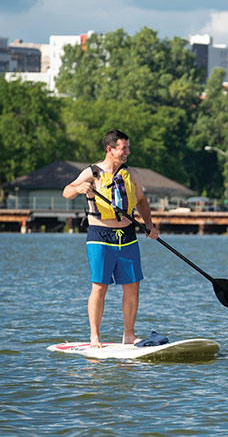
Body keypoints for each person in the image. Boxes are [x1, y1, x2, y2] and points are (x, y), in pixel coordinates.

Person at [62, 130, 159, 347]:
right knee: (100, 286)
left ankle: (129, 335)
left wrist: (150, 225)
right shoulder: (92, 172)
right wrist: (78, 188)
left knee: (133, 285)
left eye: (128, 148)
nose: (128, 152)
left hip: (127, 236)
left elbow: (141, 201)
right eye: (123, 148)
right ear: (110, 149)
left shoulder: (132, 174)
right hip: (100, 236)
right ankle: (95, 336)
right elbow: (66, 191)